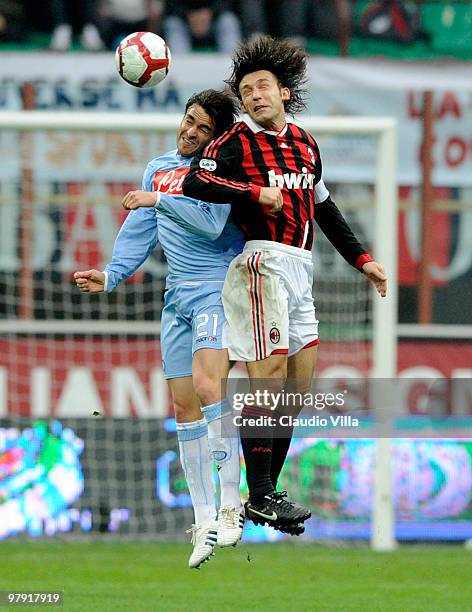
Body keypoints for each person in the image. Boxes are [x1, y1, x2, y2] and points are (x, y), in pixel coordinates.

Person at [183, 36, 387, 532]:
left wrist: (362, 259)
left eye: (262, 86)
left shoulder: (305, 142)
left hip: (301, 268)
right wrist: (255, 193)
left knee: (297, 386)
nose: (254, 95)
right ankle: (261, 493)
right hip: (262, 266)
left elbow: (323, 208)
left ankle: (265, 492)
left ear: (285, 93)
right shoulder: (234, 142)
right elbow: (195, 181)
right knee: (267, 373)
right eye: (246, 89)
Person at [74, 90, 246, 569]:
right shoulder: (158, 166)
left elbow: (212, 224)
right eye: (188, 121)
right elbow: (139, 231)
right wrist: (110, 274)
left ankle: (233, 504)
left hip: (216, 286)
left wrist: (160, 196)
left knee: (210, 386)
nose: (190, 131)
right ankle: (204, 519)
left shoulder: (218, 171)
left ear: (218, 137)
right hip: (177, 297)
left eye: (203, 128)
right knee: (183, 406)